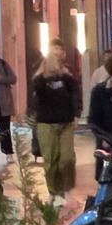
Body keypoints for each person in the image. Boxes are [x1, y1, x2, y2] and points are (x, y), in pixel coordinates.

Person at [29, 49, 81, 205]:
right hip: (46, 123)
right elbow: (37, 91)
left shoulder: (66, 79)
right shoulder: (39, 81)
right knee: (50, 159)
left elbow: (76, 92)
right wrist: (46, 77)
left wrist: (77, 112)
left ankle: (67, 187)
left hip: (65, 122)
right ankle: (54, 190)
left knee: (67, 158)